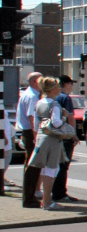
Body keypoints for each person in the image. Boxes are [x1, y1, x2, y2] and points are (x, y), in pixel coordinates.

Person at [24, 77, 71, 211]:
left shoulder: (39, 103)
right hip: (52, 139)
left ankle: (45, 199)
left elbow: (35, 124)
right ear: (53, 90)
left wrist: (36, 137)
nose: (59, 89)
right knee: (52, 169)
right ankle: (47, 201)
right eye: (57, 87)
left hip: (40, 136)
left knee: (44, 169)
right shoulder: (54, 105)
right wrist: (64, 117)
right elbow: (56, 123)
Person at [15, 71, 42, 208]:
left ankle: (29, 197)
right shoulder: (32, 96)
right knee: (32, 167)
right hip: (31, 133)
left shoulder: (27, 94)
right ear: (34, 82)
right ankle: (29, 199)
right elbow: (32, 118)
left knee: (30, 166)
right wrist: (36, 137)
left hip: (26, 132)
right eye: (40, 80)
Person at [52, 75, 80, 203]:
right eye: (70, 83)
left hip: (53, 135)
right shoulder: (65, 98)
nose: (71, 86)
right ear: (64, 84)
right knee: (63, 165)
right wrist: (73, 135)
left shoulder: (51, 97)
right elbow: (70, 117)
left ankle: (51, 190)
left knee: (53, 165)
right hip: (64, 135)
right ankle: (60, 193)